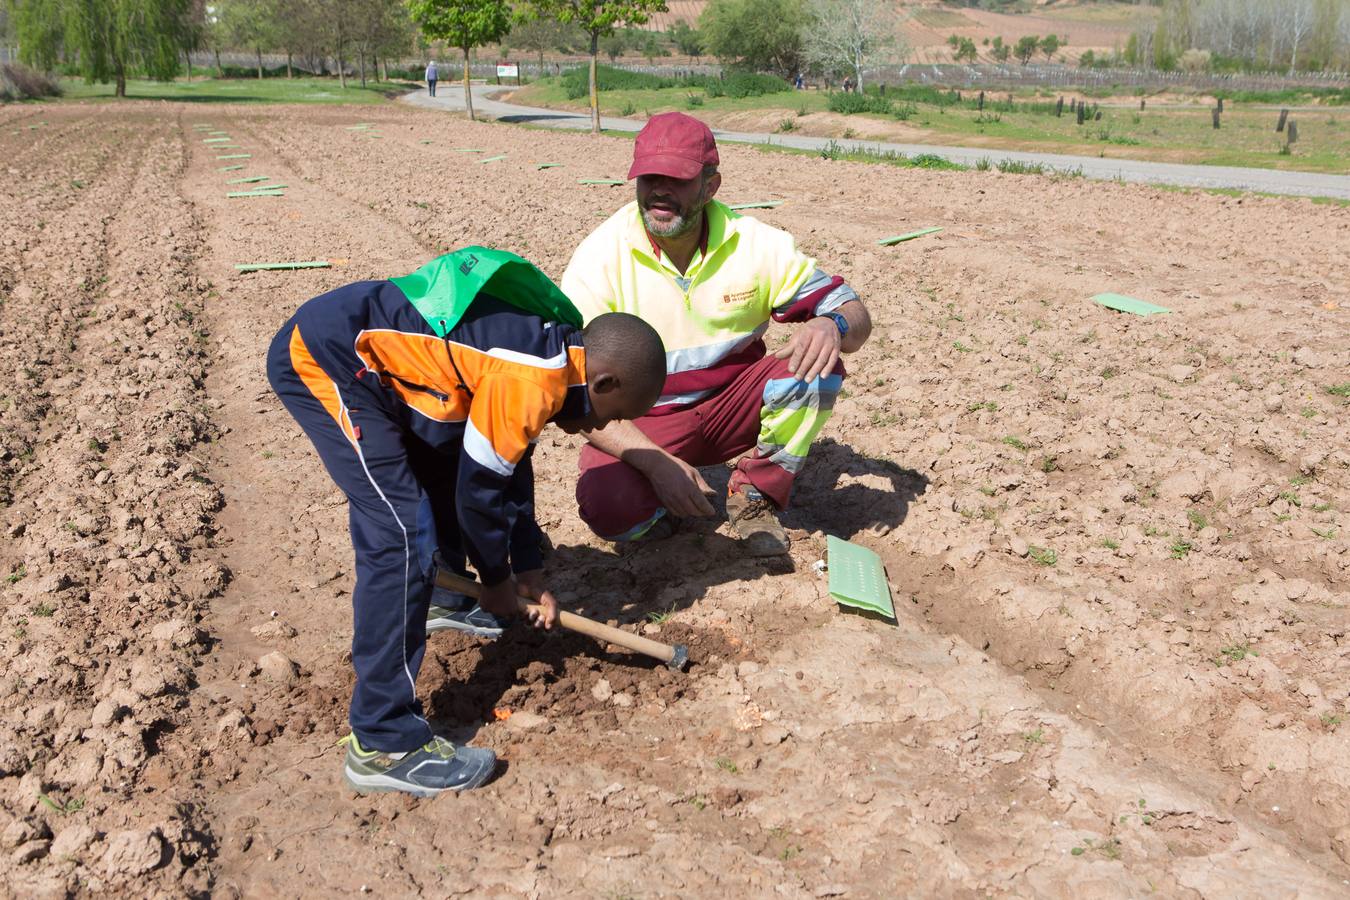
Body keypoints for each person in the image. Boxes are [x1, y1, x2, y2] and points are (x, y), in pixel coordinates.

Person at [266, 247, 666, 796]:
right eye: (615, 416)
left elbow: (510, 469)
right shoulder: (533, 380)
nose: (607, 427)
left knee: (448, 456)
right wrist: (498, 586)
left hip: (402, 378)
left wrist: (526, 571)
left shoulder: (556, 357)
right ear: (604, 384)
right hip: (332, 359)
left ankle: (442, 600)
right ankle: (382, 741)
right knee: (400, 533)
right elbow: (480, 495)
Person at [561, 113, 872, 558]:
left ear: (711, 186)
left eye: (678, 179)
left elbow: (854, 313)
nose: (659, 191)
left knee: (817, 364)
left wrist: (832, 324)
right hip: (647, 420)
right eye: (650, 177)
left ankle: (754, 498)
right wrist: (652, 461)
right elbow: (570, 395)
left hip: (731, 407)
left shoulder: (756, 245)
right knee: (609, 508)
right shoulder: (600, 257)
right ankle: (657, 515)